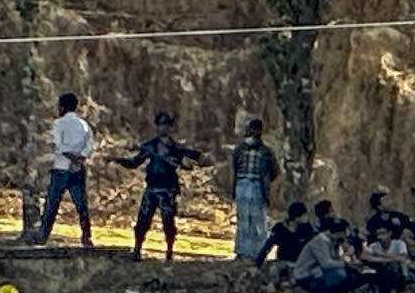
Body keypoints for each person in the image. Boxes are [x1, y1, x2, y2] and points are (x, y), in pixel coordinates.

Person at [108, 112, 209, 261]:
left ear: (169, 127)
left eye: (165, 125)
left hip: (168, 190)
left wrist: (192, 164)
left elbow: (200, 158)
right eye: (160, 125)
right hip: (152, 188)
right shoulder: (150, 146)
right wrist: (117, 159)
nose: (163, 128)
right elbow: (134, 162)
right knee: (143, 220)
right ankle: (137, 249)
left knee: (168, 222)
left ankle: (169, 251)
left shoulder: (176, 148)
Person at [31, 93, 95, 247]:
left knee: (52, 204)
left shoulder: (58, 124)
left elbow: (58, 145)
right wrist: (80, 157)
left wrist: (70, 155)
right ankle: (86, 236)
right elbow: (90, 146)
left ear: (62, 107)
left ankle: (43, 235)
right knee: (81, 205)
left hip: (61, 168)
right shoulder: (84, 125)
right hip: (78, 168)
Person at [232, 119, 279, 260]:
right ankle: (242, 250)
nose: (254, 133)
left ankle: (258, 251)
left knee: (258, 219)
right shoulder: (239, 149)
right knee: (243, 219)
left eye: (256, 130)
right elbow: (234, 168)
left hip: (257, 186)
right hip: (242, 184)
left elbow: (274, 171)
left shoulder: (266, 152)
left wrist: (266, 184)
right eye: (252, 130)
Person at [293, 218, 363, 293]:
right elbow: (326, 264)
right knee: (341, 274)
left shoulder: (333, 241)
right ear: (339, 233)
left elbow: (335, 260)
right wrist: (346, 264)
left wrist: (347, 255)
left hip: (318, 273)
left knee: (352, 274)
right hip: (306, 276)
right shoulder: (321, 242)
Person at [254, 202, 316, 289]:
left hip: (298, 263)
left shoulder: (307, 229)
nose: (306, 217)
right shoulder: (280, 229)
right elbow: (268, 246)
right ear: (297, 217)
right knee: (274, 270)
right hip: (282, 261)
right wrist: (258, 264)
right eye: (304, 215)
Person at [362, 225, 415, 293]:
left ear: (389, 233)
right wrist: (384, 260)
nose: (380, 237)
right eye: (378, 234)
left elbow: (402, 258)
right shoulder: (374, 246)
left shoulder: (399, 244)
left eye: (383, 233)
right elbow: (364, 256)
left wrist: (382, 255)